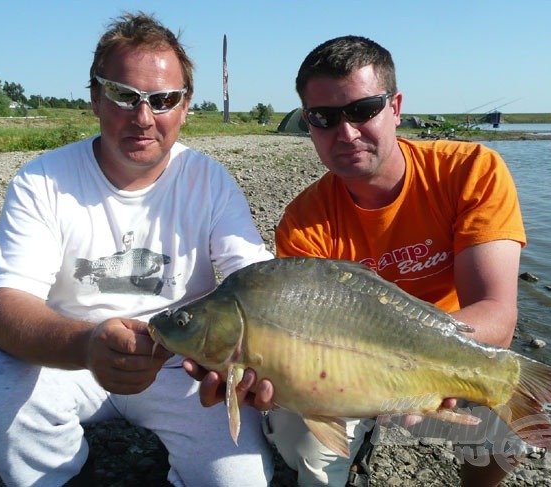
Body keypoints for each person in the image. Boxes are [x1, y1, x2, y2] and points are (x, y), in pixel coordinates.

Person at [0, 12, 274, 487]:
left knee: (239, 480)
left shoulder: (210, 181)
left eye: (163, 100)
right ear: (95, 97)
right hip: (68, 354)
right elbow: (7, 308)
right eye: (125, 95)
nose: (143, 118)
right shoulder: (42, 181)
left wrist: (258, 363)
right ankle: (57, 474)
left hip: (181, 363)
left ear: (185, 106)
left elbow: (259, 284)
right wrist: (87, 344)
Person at [195, 35, 527, 486]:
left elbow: (497, 317)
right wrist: (272, 385)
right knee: (298, 441)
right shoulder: (303, 222)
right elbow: (297, 347)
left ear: (395, 107)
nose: (345, 132)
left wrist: (421, 376)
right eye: (324, 118)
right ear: (307, 123)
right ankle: (358, 435)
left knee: (509, 430)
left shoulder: (470, 171)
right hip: (344, 372)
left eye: (362, 109)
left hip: (443, 358)